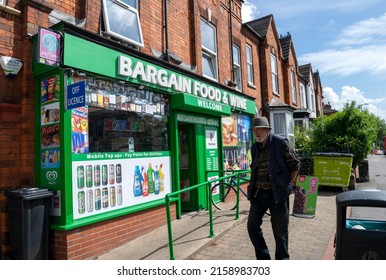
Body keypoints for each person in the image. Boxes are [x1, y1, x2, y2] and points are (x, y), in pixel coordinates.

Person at [247, 116, 300, 260]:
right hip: (259, 195)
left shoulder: (280, 143)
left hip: (277, 195)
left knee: (280, 233)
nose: (257, 133)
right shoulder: (254, 147)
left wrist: (286, 184)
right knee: (252, 227)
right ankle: (264, 259)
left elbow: (295, 165)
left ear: (267, 130)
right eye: (255, 130)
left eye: (260, 129)